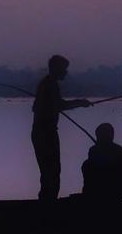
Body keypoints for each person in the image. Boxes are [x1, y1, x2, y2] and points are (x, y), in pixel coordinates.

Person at [31, 55, 91, 202]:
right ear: (56, 69)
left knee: (49, 172)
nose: (66, 73)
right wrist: (80, 102)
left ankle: (46, 202)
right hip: (45, 134)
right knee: (51, 172)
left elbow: (40, 107)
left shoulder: (46, 84)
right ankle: (48, 205)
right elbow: (59, 105)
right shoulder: (50, 84)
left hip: (43, 133)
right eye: (64, 69)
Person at [81, 121, 122, 204]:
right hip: (95, 189)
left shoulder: (121, 152)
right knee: (86, 164)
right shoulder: (93, 150)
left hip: (116, 189)